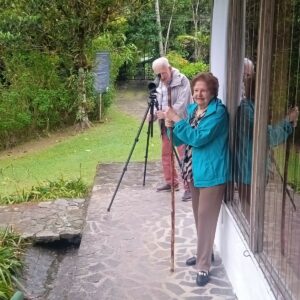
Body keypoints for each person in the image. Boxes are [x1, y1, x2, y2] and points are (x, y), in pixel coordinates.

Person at [165, 72, 229, 286]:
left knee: (206, 220)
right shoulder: (193, 110)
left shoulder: (218, 114)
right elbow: (182, 139)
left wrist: (177, 120)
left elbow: (199, 138)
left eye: (203, 90)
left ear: (212, 92)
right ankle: (205, 252)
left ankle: (203, 267)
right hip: (194, 172)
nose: (198, 94)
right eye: (196, 90)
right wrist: (170, 127)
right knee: (198, 217)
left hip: (212, 175)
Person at [235, 58, 299, 222]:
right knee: (250, 213)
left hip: (252, 169)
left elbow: (265, 130)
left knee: (251, 210)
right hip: (249, 171)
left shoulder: (252, 107)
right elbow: (266, 137)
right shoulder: (246, 109)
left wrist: (288, 122)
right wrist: (287, 121)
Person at [151, 57, 193, 201]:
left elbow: (183, 104)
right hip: (165, 124)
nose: (162, 77)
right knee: (166, 154)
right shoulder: (159, 83)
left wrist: (167, 113)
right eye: (159, 74)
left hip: (181, 123)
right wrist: (154, 114)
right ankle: (172, 182)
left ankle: (189, 188)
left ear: (169, 68)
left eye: (164, 73)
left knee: (184, 156)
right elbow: (158, 101)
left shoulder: (182, 80)